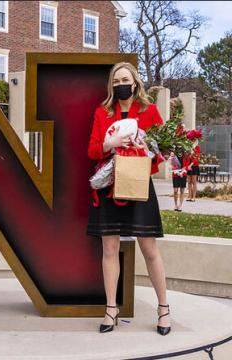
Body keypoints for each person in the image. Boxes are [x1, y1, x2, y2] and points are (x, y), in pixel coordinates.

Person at [86, 62, 171, 336]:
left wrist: (146, 148)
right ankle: (111, 309)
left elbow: (163, 151)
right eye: (115, 80)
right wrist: (110, 145)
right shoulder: (103, 112)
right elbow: (92, 150)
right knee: (109, 250)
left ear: (135, 83)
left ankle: (164, 308)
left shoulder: (149, 111)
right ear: (112, 85)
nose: (120, 84)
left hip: (138, 185)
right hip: (109, 187)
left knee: (150, 250)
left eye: (125, 79)